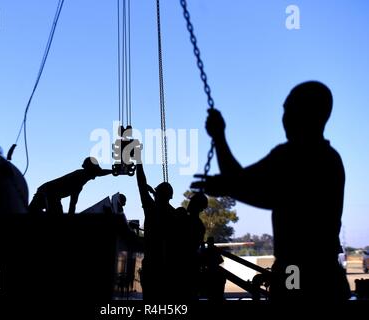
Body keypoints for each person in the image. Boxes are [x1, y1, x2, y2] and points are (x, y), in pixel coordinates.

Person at [192, 81, 350, 301]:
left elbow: (264, 192)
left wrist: (220, 141)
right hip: (326, 274)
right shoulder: (330, 159)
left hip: (295, 270)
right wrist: (228, 177)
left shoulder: (291, 155)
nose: (284, 118)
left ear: (306, 114)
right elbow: (242, 182)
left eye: (288, 110)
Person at [136, 162, 174, 300]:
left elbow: (141, 182)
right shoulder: (173, 214)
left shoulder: (151, 210)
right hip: (168, 268)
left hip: (151, 266)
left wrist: (138, 161)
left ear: (157, 194)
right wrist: (154, 192)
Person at [29, 157, 112, 214]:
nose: (95, 176)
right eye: (95, 172)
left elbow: (100, 172)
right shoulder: (79, 178)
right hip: (47, 193)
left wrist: (113, 171)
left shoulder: (82, 176)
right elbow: (73, 203)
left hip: (50, 194)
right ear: (90, 170)